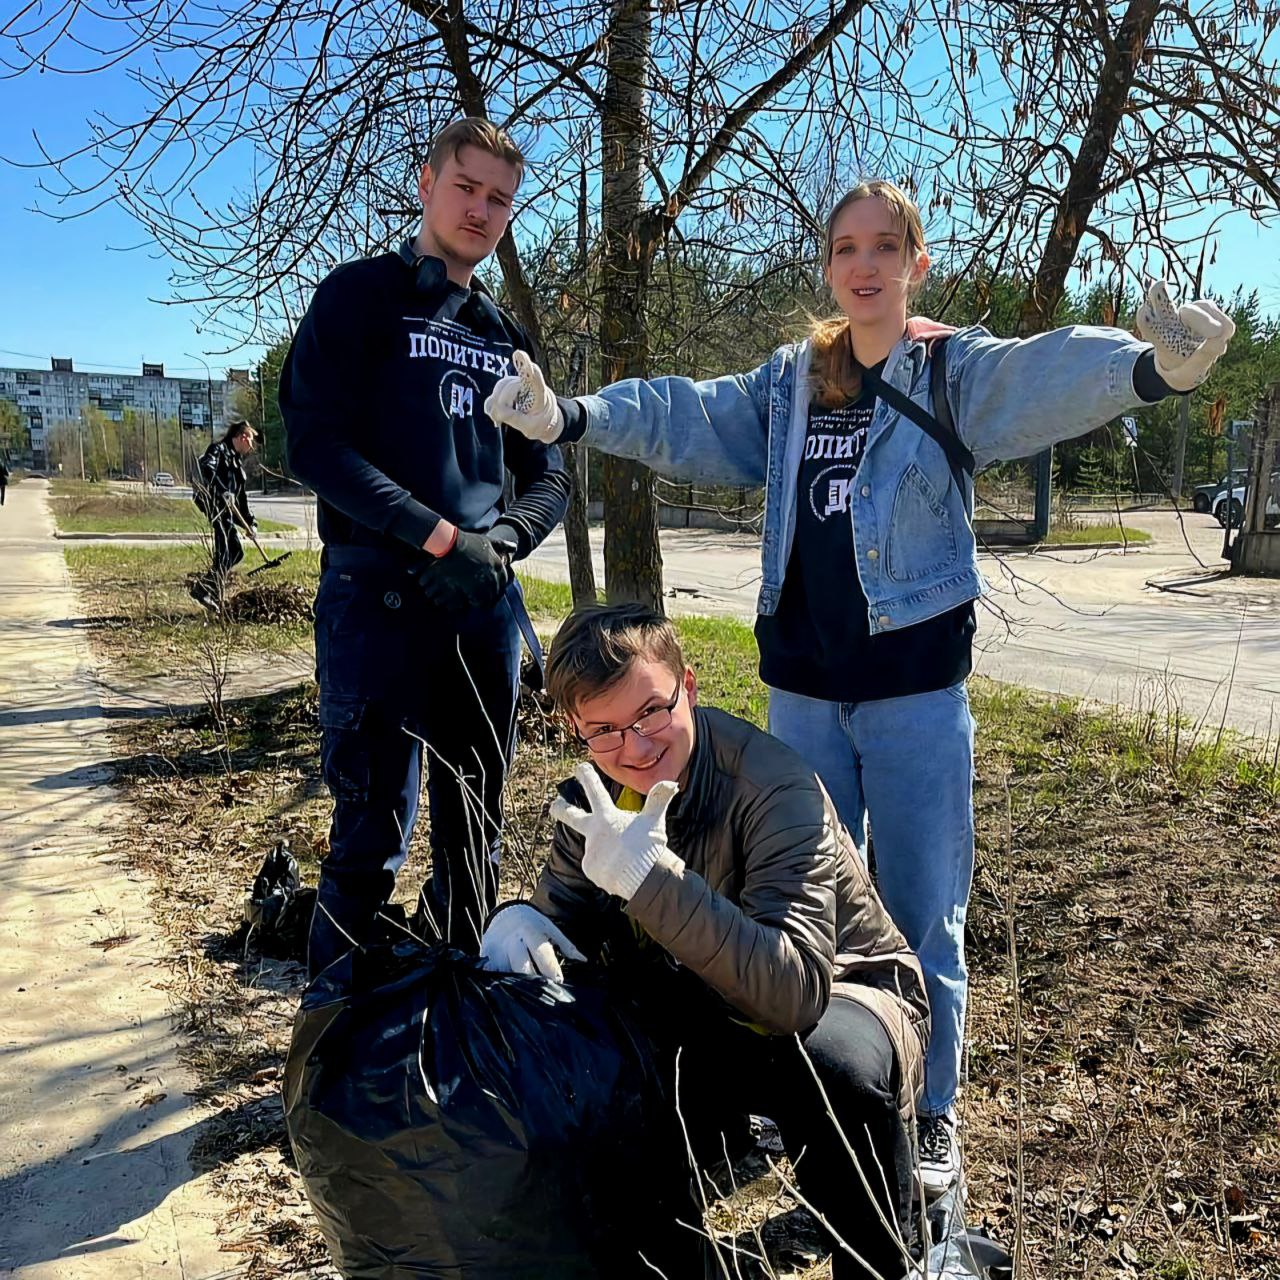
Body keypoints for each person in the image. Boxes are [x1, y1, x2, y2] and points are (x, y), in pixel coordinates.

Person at [484, 179, 1235, 1195]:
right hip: (804, 695)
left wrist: (1149, 369)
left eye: (885, 246)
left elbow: (1037, 376)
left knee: (923, 913)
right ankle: (800, 1096)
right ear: (829, 269)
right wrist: (571, 415)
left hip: (915, 696)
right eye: (845, 248)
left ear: (913, 263)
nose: (864, 264)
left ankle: (927, 1117)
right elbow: (689, 413)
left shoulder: (945, 369)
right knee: (793, 904)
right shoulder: (793, 383)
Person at [479, 604, 931, 1280]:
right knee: (584, 1064)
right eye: (603, 730)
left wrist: (650, 881)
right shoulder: (596, 799)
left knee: (835, 1072)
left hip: (844, 989)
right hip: (699, 1002)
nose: (634, 747)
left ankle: (886, 1262)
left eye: (651, 713)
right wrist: (519, 922)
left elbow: (795, 996)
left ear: (687, 686)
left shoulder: (774, 785)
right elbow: (562, 926)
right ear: (574, 728)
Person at [280, 118, 571, 978]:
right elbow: (316, 447)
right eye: (466, 187)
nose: (480, 210)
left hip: (476, 609)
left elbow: (549, 471)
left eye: (500, 199)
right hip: (377, 601)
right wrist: (439, 536)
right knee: (372, 836)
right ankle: (333, 1053)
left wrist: (501, 544)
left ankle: (454, 1041)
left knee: (474, 838)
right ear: (426, 182)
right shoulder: (359, 297)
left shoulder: (500, 336)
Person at [191, 418, 258, 608]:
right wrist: (222, 490)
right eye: (251, 440)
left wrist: (251, 523)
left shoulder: (236, 463)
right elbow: (206, 468)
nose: (251, 446)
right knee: (228, 548)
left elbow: (241, 499)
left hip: (226, 508)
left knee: (234, 551)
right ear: (243, 436)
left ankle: (209, 590)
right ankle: (205, 590)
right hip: (214, 504)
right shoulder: (218, 450)